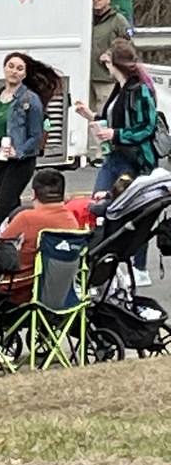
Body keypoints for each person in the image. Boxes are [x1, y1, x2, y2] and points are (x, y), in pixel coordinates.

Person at [74, 38, 158, 285]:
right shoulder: (119, 87)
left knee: (133, 212)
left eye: (109, 61)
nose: (105, 65)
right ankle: (98, 260)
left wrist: (116, 134)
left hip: (133, 160)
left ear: (117, 64)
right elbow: (114, 117)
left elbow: (147, 127)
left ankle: (139, 267)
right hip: (114, 156)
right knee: (98, 206)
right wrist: (90, 116)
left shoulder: (140, 90)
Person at [0, 52, 47, 228]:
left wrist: (19, 151)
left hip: (21, 159)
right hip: (1, 154)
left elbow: (36, 135)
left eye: (19, 69)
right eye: (11, 66)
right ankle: (18, 236)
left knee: (4, 205)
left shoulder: (30, 99)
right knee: (9, 202)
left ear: (25, 74)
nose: (14, 71)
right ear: (4, 68)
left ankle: (2, 238)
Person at [0, 169, 79, 303]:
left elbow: (0, 248)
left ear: (34, 194)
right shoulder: (71, 220)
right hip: (56, 290)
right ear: (63, 194)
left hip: (22, 287)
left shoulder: (26, 218)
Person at [89, 0, 131, 137]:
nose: (96, 1)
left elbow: (128, 42)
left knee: (104, 114)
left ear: (109, 0)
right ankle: (88, 153)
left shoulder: (118, 19)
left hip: (105, 75)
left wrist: (111, 53)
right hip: (86, 74)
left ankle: (102, 153)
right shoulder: (87, 17)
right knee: (87, 114)